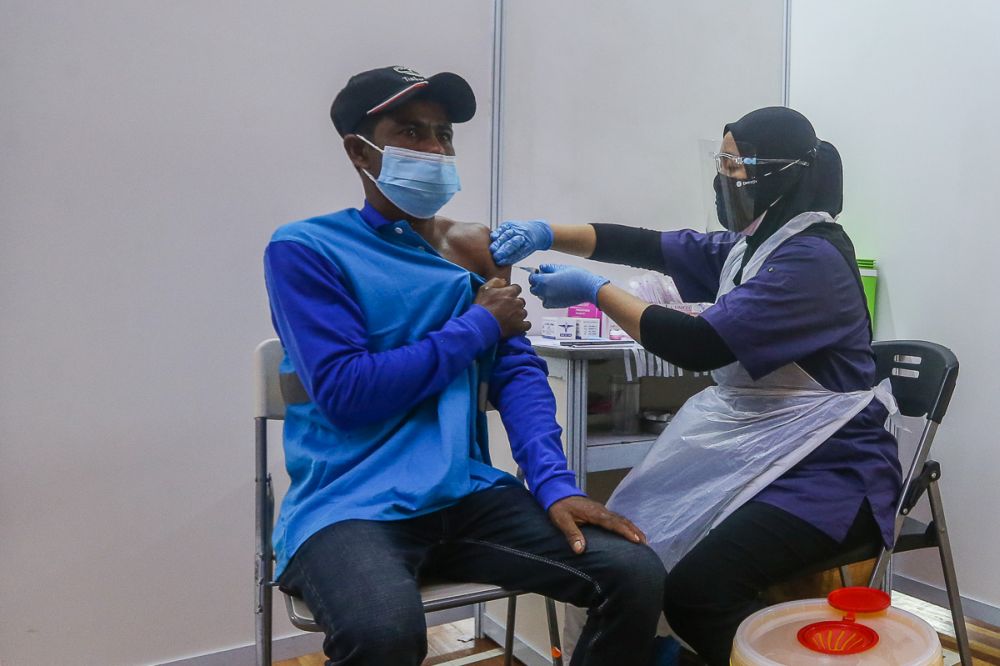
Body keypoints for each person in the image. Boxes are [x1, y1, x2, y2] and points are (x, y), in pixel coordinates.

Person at [262, 65, 665, 666]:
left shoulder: (475, 250)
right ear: (358, 151)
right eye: (410, 133)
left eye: (443, 135)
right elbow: (347, 392)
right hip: (350, 504)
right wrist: (479, 324)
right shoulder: (307, 249)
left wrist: (553, 485)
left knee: (632, 574)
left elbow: (517, 374)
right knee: (384, 634)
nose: (433, 150)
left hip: (464, 492)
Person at [489, 107, 901, 665]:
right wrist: (544, 232)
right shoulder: (752, 247)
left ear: (779, 173)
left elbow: (698, 343)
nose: (723, 178)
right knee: (639, 559)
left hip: (830, 478)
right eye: (722, 162)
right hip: (765, 456)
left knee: (697, 590)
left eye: (734, 165)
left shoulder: (811, 259)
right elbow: (651, 245)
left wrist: (595, 290)